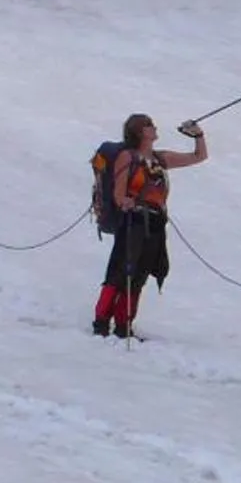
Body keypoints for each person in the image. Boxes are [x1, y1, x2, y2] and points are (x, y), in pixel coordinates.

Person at [94, 112, 207, 339]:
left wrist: (198, 135)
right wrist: (127, 202)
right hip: (133, 221)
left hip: (155, 222)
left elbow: (199, 156)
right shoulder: (128, 156)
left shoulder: (160, 158)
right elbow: (119, 194)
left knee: (139, 275)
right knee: (120, 272)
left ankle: (124, 323)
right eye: (149, 125)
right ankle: (103, 321)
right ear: (138, 131)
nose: (154, 128)